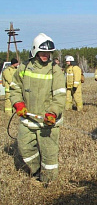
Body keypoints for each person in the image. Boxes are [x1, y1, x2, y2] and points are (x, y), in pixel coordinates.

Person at [10, 33, 66, 184]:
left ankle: (49, 183)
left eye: (48, 53)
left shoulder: (55, 70)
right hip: (28, 119)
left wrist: (52, 113)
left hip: (48, 121)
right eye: (42, 52)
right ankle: (35, 171)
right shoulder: (24, 67)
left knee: (49, 155)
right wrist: (18, 104)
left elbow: (60, 96)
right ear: (35, 51)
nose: (45, 55)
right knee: (25, 148)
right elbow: (15, 88)